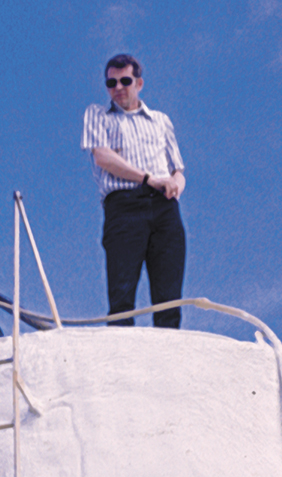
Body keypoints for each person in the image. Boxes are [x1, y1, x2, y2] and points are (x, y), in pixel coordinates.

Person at [82, 54, 186, 328]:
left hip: (164, 206)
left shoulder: (160, 120)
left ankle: (168, 361)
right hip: (124, 206)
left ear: (139, 83)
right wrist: (149, 179)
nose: (118, 87)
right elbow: (102, 157)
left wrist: (174, 185)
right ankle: (120, 361)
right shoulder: (98, 115)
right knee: (122, 297)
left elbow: (178, 169)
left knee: (169, 298)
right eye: (111, 82)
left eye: (125, 81)